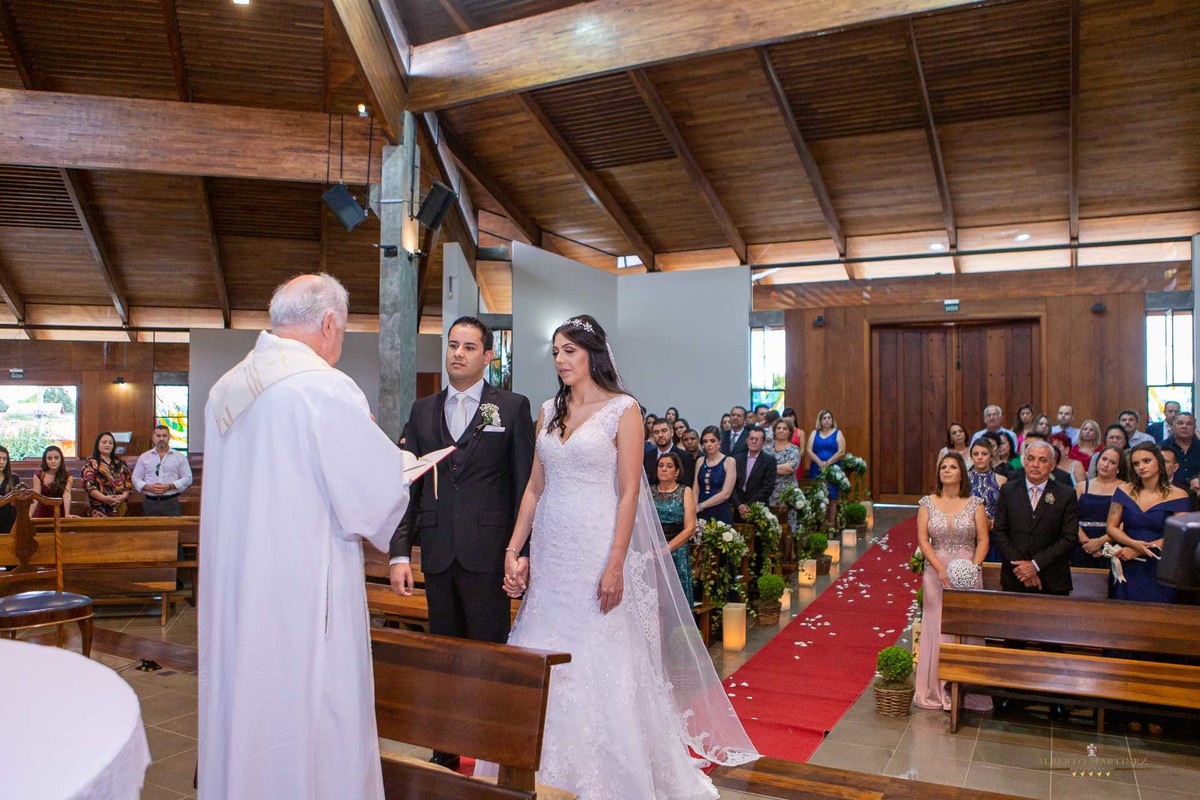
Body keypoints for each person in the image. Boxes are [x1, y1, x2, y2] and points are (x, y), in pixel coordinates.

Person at [487, 314, 758, 796]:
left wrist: (616, 564)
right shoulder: (550, 410)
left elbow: (631, 493)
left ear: (594, 353)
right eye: (555, 352)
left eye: (570, 350)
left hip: (596, 546)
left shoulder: (623, 410)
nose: (561, 360)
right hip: (552, 552)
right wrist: (514, 548)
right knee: (540, 644)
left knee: (598, 652)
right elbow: (533, 487)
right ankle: (533, 772)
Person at [198, 274, 413, 800]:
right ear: (328, 323)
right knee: (312, 718)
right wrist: (402, 467)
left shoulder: (225, 389)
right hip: (301, 598)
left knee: (243, 706)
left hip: (238, 588)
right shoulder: (322, 386)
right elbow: (370, 501)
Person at [389, 316, 535, 768]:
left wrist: (522, 553)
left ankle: (492, 752)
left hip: (489, 552)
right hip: (436, 550)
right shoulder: (423, 410)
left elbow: (524, 486)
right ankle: (445, 752)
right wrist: (399, 553)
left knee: (489, 656)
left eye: (470, 347)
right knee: (442, 657)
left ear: (487, 356)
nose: (458, 353)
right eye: (453, 345)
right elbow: (408, 486)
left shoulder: (510, 407)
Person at [913, 452, 991, 712]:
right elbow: (923, 541)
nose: (947, 470)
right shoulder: (927, 503)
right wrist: (939, 569)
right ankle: (935, 689)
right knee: (937, 626)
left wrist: (972, 568)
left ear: (961, 473)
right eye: (943, 467)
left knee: (966, 628)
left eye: (952, 467)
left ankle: (965, 689)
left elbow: (983, 540)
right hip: (936, 574)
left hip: (967, 574)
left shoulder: (975, 504)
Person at [991, 439, 1080, 595]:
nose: (1035, 464)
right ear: (1024, 461)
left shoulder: (1066, 494)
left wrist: (1035, 565)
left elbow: (1069, 537)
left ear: (1052, 465)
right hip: (1015, 577)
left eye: (1042, 460)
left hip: (1052, 580)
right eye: (1031, 458)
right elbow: (1000, 531)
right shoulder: (1008, 490)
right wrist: (1022, 568)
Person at [1106, 443, 1189, 604]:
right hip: (1127, 561)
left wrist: (1140, 551)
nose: (1141, 467)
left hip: (1160, 565)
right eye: (1136, 464)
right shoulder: (1123, 491)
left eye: (1146, 461)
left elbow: (1178, 535)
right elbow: (1111, 527)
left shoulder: (1179, 495)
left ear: (1159, 462)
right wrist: (1133, 545)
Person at [651, 452, 698, 604]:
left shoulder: (685, 491)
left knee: (675, 600)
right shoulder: (649, 491)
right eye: (661, 466)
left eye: (669, 466)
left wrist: (666, 549)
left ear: (677, 471)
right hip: (652, 549)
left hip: (676, 549)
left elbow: (690, 528)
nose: (664, 469)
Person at [1073, 446, 1123, 568]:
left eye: (1112, 462)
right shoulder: (1081, 486)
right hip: (1081, 544)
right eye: (1104, 459)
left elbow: (1125, 522)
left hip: (1111, 545)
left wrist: (1100, 542)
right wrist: (1086, 542)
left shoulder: (1125, 488)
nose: (1106, 464)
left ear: (1118, 468)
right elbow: (1070, 517)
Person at [131, 424, 193, 516]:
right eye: (158, 436)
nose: (161, 438)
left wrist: (170, 486)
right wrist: (148, 487)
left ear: (169, 437)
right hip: (150, 502)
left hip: (171, 502)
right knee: (150, 530)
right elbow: (135, 478)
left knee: (172, 529)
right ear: (153, 437)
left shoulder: (179, 457)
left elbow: (188, 478)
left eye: (164, 435)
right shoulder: (144, 457)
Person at [807, 408, 846, 524]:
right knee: (818, 495)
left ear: (832, 420)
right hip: (816, 468)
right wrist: (819, 462)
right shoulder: (814, 433)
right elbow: (809, 450)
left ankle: (831, 523)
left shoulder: (838, 433)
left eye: (829, 418)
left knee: (832, 496)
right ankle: (819, 522)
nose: (827, 420)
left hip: (833, 469)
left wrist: (828, 463)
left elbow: (842, 451)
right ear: (820, 420)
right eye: (824, 418)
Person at [81, 432, 133, 517]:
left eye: (110, 443)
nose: (107, 445)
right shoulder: (91, 464)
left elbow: (128, 483)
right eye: (104, 442)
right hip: (98, 508)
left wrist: (123, 496)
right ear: (98, 444)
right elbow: (88, 486)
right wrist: (104, 498)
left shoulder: (120, 463)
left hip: (120, 507)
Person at [967, 438, 1005, 549]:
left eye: (984, 454)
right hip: (968, 534)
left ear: (991, 456)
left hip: (994, 532)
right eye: (976, 454)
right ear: (971, 456)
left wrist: (993, 523)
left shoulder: (1001, 480)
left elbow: (1005, 509)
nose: (979, 457)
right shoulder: (963, 480)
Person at [733, 427, 777, 522]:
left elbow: (768, 487)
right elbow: (731, 485)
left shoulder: (769, 460)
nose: (753, 441)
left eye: (757, 439)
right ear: (747, 440)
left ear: (763, 442)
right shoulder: (737, 458)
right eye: (751, 438)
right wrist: (739, 505)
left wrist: (747, 506)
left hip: (758, 508)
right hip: (737, 507)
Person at [695, 425, 736, 524]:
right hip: (700, 511)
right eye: (705, 441)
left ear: (719, 441)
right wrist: (693, 509)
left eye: (712, 441)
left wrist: (701, 506)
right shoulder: (700, 461)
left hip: (719, 510)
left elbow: (725, 494)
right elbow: (695, 488)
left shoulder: (729, 461)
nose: (708, 445)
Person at [644, 418, 695, 489]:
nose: (660, 435)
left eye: (664, 431)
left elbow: (686, 485)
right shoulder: (647, 456)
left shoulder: (685, 457)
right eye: (656, 432)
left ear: (672, 432)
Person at [764, 417, 802, 513]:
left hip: (788, 493)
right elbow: (761, 467)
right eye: (778, 428)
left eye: (784, 428)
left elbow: (789, 468)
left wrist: (769, 468)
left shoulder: (794, 449)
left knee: (788, 523)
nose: (781, 430)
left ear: (789, 432)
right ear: (774, 430)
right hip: (769, 492)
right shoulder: (766, 449)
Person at [30, 445, 73, 519]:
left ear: (61, 459)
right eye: (49, 458)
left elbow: (66, 495)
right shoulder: (38, 475)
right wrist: (29, 516)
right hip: (42, 513)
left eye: (56, 458)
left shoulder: (68, 476)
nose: (53, 461)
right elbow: (35, 497)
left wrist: (67, 515)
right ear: (45, 460)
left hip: (59, 513)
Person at [1164, 412, 1200, 491]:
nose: (1184, 426)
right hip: (1170, 494)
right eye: (1180, 423)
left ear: (1194, 427)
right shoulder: (1162, 448)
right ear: (1173, 426)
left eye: (1189, 424)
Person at [0, 445, 22, 532]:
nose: (2, 462)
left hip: (9, 521)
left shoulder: (14, 479)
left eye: (5, 459)